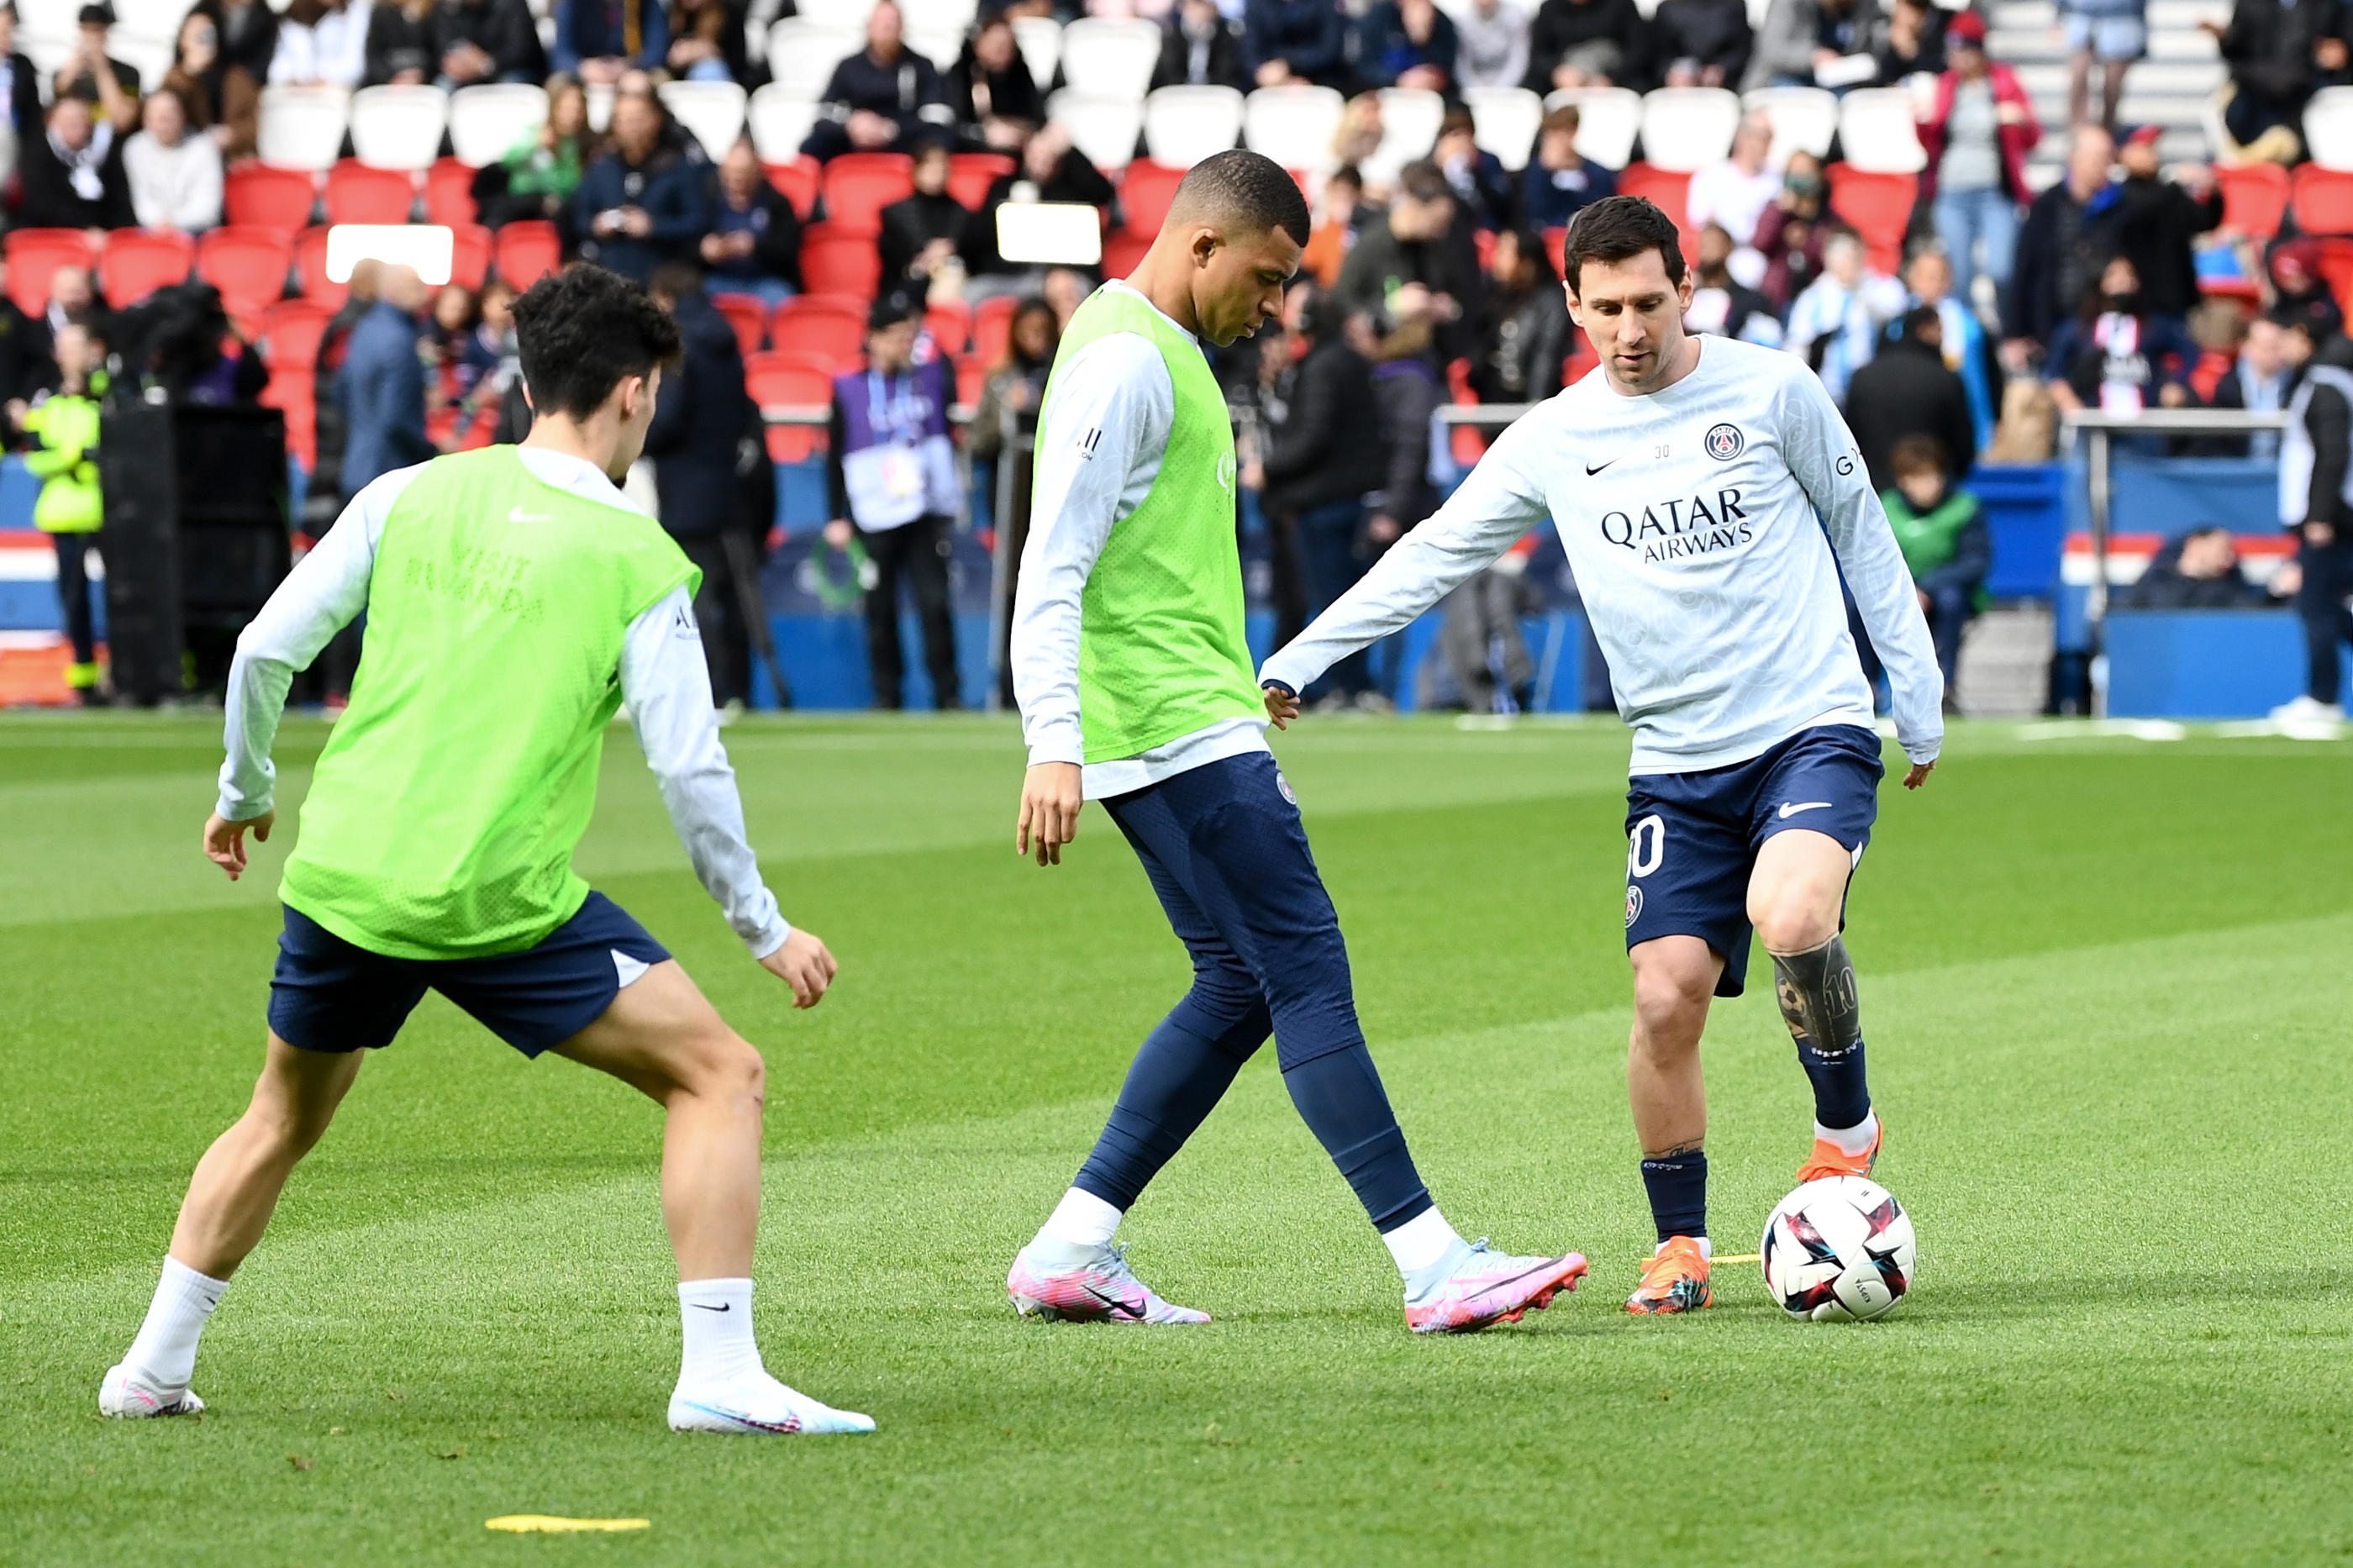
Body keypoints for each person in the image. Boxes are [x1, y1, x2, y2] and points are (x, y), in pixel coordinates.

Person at [95, 263, 866, 1438]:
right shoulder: (638, 554)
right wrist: (765, 926)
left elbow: (260, 650)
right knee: (723, 1074)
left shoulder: (408, 492)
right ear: (631, 391)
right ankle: (718, 1372)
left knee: (280, 1115)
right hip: (499, 903)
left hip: (348, 879)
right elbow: (689, 766)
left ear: (524, 381)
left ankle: (149, 1367)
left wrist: (242, 791)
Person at [1259, 194, 1941, 1317]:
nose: (1630, 328)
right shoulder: (1554, 439)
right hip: (1677, 757)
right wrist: (1302, 658)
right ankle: (1679, 1246)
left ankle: (1842, 1129)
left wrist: (1915, 701)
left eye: (1649, 301)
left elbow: (1865, 535)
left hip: (1808, 722)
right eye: (1605, 307)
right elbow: (1435, 552)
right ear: (1572, 306)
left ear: (1689, 290)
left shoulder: (1774, 391)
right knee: (1666, 994)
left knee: (1793, 916)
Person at [1006, 148, 1586, 1332]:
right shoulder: (1125, 362)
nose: (1273, 308)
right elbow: (1051, 561)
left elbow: (1146, 564)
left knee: (1237, 981)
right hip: (1169, 732)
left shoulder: (1152, 349)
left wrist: (1241, 679)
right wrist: (1050, 739)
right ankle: (1433, 1261)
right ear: (1201, 243)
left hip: (1179, 713)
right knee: (1305, 967)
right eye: (1266, 279)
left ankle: (1073, 1242)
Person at [824, 290, 960, 710]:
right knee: (879, 611)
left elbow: (951, 373)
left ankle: (948, 693)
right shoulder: (848, 388)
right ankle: (887, 695)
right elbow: (835, 454)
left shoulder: (930, 377)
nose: (907, 343)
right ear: (874, 338)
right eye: (899, 335)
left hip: (923, 510)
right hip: (873, 513)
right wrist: (836, 515)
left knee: (934, 605)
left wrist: (927, 334)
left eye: (911, 335)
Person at [1254, 284, 1388, 707]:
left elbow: (1313, 437)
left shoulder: (1324, 366)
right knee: (1344, 598)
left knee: (1329, 601)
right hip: (1344, 499)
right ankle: (1353, 686)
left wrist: (1267, 468)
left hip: (1327, 504)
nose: (1284, 315)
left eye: (1294, 309)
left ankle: (1339, 689)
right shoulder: (1342, 361)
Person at [645, 262, 761, 710]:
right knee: (730, 593)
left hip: (685, 485)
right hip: (726, 480)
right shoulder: (726, 343)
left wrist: (636, 438)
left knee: (693, 595)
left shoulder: (681, 348)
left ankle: (708, 692)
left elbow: (670, 419)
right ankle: (740, 690)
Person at [1915, 11, 2035, 310]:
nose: (1958, 58)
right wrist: (1921, 119)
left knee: (2002, 269)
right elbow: (1929, 142)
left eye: (1964, 50)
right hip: (1952, 193)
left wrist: (2017, 122)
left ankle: (2008, 328)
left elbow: (2033, 138)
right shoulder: (1945, 86)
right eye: (1953, 51)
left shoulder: (2004, 82)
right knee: (1960, 275)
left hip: (1995, 193)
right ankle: (1970, 338)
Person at [972, 295, 1058, 704]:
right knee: (1012, 588)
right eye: (1028, 332)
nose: (1035, 340)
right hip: (1012, 499)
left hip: (1056, 498)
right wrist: (1010, 411)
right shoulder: (1000, 379)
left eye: (1042, 332)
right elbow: (978, 442)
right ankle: (1009, 688)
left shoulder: (1065, 374)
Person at [17, 322, 107, 707]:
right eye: (65, 348)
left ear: (92, 351)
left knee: (125, 596)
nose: (71, 355)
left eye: (78, 346)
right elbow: (36, 458)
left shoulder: (107, 393)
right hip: (64, 513)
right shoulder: (45, 401)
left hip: (108, 509)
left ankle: (128, 674)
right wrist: (74, 458)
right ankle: (83, 677)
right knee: (73, 600)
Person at [2272, 321, 2353, 725]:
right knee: (2329, 605)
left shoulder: (2325, 387)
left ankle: (2322, 697)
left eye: (2285, 337)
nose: (2279, 345)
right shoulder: (2337, 382)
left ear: (2304, 339)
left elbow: (2333, 454)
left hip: (2333, 517)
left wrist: (2319, 515)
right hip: (2338, 513)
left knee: (2316, 604)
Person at [1333, 160, 1482, 365]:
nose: (1442, 231)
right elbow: (1342, 300)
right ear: (1415, 208)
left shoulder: (1436, 248)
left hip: (1427, 354)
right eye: (1438, 222)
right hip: (1377, 355)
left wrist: (1438, 307)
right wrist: (1391, 307)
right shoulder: (1372, 244)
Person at [1877, 432, 1987, 699]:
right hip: (1896, 591)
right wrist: (1905, 589)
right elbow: (1874, 560)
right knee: (1855, 604)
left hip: (1946, 591)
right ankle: (1867, 685)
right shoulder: (1885, 508)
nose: (1927, 486)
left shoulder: (1964, 507)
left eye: (1931, 476)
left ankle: (1945, 686)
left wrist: (1926, 588)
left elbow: (1975, 562)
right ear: (1903, 481)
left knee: (1951, 600)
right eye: (1917, 478)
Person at [2004, 124, 2119, 366]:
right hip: (2052, 329)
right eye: (2097, 158)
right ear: (2074, 158)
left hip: (2105, 332)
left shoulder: (2121, 206)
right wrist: (2016, 332)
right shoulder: (2046, 207)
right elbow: (2025, 270)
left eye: (2108, 158)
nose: (2105, 166)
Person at [577, 88, 712, 282]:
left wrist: (654, 227)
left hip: (661, 273)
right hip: (607, 273)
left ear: (656, 119)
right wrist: (595, 225)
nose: (631, 127)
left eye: (638, 119)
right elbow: (579, 216)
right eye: (623, 120)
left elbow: (697, 221)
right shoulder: (602, 167)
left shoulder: (677, 167)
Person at [2043, 253, 2194, 416]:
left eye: (2129, 274)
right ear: (2099, 281)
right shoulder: (2079, 328)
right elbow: (2053, 370)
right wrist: (2066, 398)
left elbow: (2191, 353)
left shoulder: (2155, 326)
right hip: (2093, 424)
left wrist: (2178, 384)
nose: (2123, 281)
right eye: (2113, 274)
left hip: (2146, 424)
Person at [802, 0, 955, 161]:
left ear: (902, 27)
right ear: (869, 27)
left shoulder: (922, 66)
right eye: (882, 23)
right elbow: (824, 114)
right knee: (814, 144)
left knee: (941, 140)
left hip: (905, 138)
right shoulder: (848, 67)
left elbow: (937, 116)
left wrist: (892, 129)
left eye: (893, 22)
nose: (888, 28)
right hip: (854, 139)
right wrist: (851, 125)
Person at [1845, 305, 1977, 492]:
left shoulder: (1862, 377)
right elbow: (1964, 448)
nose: (1942, 337)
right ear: (1924, 329)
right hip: (1930, 501)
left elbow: (1848, 440)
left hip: (1872, 495)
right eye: (1939, 329)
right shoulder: (1945, 378)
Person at [337, 264, 435, 505]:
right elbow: (395, 418)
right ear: (393, 291)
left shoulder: (364, 329)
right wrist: (430, 451)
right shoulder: (400, 341)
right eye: (417, 287)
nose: (425, 295)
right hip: (390, 474)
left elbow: (340, 392)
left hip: (356, 467)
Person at [2109, 124, 2220, 329]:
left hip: (2178, 297)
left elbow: (2204, 221)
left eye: (2153, 147)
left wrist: (2213, 194)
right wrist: (2176, 181)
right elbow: (2140, 212)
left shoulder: (2169, 192)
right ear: (2123, 153)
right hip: (2142, 303)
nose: (2152, 153)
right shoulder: (2116, 193)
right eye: (2144, 147)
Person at [1784, 227, 1904, 407]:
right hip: (1824, 391)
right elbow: (1797, 345)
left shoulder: (1878, 287)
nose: (1849, 261)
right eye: (1842, 254)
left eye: (1854, 254)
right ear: (1828, 257)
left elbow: (1895, 307)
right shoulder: (1812, 298)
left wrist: (1862, 291)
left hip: (1866, 389)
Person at [2211, 0, 2339, 163]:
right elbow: (2236, 50)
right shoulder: (2249, 4)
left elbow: (2334, 48)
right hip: (2255, 97)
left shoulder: (2323, 5)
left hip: (2303, 97)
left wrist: (2337, 55)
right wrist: (2225, 38)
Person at [1903, 246, 1999, 452]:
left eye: (1939, 276)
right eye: (1927, 276)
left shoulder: (1970, 326)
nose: (1933, 283)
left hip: (1962, 418)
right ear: (1912, 279)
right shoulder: (1898, 324)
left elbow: (1989, 374)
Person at [474, 72, 592, 234]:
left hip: (556, 207)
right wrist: (534, 145)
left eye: (577, 110)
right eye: (566, 108)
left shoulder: (577, 145)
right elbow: (508, 162)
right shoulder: (533, 133)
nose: (571, 116)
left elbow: (570, 185)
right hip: (523, 201)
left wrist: (559, 157)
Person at [1471, 225, 1571, 402]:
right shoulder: (1491, 295)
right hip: (1493, 397)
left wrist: (1537, 404)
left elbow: (1547, 357)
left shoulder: (1551, 302)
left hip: (1532, 398)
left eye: (1504, 253)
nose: (1496, 259)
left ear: (1527, 263)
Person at [702, 135, 803, 307]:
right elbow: (688, 240)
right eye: (732, 172)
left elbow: (790, 248)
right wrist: (705, 249)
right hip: (719, 279)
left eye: (743, 172)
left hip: (766, 281)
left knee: (783, 302)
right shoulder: (708, 199)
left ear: (757, 171)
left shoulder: (777, 202)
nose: (737, 179)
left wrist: (755, 246)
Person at [1686, 113, 1779, 290]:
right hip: (1721, 258)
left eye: (1769, 139)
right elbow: (1703, 222)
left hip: (1764, 258)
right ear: (1741, 137)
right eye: (1759, 137)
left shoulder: (1776, 180)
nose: (1764, 144)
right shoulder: (1710, 176)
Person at [19, 96, 134, 232]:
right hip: (52, 234)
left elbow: (120, 200)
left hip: (104, 234)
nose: (78, 125)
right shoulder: (37, 153)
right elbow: (41, 205)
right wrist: (84, 228)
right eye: (70, 122)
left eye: (82, 119)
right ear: (52, 123)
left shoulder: (106, 152)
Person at [166, 5, 265, 159]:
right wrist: (189, 72)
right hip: (189, 159)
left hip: (232, 159)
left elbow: (253, 124)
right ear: (183, 40)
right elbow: (167, 113)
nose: (203, 39)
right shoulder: (176, 77)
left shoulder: (237, 77)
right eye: (196, 35)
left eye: (208, 33)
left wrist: (231, 134)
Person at [123, 86, 224, 232]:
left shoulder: (204, 148)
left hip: (197, 232)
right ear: (145, 119)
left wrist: (174, 222)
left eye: (170, 113)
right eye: (157, 114)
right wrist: (161, 224)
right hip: (152, 230)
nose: (164, 119)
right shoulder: (135, 148)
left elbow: (208, 209)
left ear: (183, 116)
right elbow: (142, 202)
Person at [877, 138, 968, 287]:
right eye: (930, 165)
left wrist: (949, 249)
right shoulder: (894, 213)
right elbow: (892, 259)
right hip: (904, 285)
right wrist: (927, 254)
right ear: (916, 169)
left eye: (941, 166)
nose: (936, 172)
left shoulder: (963, 213)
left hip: (952, 279)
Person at [2119, 523, 2276, 608]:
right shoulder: (2155, 583)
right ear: (2196, 544)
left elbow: (2254, 611)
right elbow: (2124, 614)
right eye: (2223, 549)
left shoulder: (2229, 590)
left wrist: (2275, 595)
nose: (2229, 559)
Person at [1750, 147, 1829, 312]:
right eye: (1795, 172)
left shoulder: (1828, 218)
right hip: (1777, 297)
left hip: (1815, 300)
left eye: (1806, 172)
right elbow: (1760, 243)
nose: (1800, 179)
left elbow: (1831, 257)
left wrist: (1806, 242)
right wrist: (1780, 211)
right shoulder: (1776, 208)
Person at [2204, 310, 2291, 458]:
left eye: (2277, 347)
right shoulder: (2227, 388)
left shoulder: (2295, 384)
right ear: (2246, 346)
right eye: (2266, 347)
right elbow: (2218, 442)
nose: (2273, 354)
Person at [949, 13, 1043, 145]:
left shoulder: (1020, 75)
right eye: (997, 45)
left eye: (1008, 47)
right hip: (974, 149)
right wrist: (983, 134)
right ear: (979, 43)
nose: (1003, 52)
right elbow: (953, 123)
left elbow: (1036, 117)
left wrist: (1017, 131)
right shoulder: (962, 73)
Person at [1684, 219, 1782, 345]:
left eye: (1714, 244)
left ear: (1729, 248)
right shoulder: (1686, 299)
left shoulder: (1752, 301)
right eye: (1703, 245)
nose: (1707, 250)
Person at [1519, 103, 1615, 230]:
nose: (1555, 141)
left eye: (1561, 134)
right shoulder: (1537, 171)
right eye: (1551, 135)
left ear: (1573, 133)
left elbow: (1600, 210)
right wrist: (1546, 171)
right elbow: (1534, 211)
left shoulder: (1597, 172)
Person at [1525, 0, 1652, 90]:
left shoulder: (1622, 5)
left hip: (1613, 78)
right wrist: (1557, 73)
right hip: (1565, 80)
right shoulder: (1550, 8)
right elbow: (1538, 55)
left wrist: (1610, 78)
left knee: (1640, 87)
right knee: (1531, 89)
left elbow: (1639, 51)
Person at [2059, 0, 2141, 130]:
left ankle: (2107, 134)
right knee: (2078, 77)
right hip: (2082, 16)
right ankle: (2079, 135)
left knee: (2112, 86)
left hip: (2121, 17)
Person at [53, 3, 140, 124]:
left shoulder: (129, 73)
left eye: (96, 30)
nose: (91, 37)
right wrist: (73, 68)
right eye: (85, 30)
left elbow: (123, 120)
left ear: (106, 33)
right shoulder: (64, 74)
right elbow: (57, 99)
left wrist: (101, 67)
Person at [1433, 105, 1513, 233]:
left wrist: (1475, 170)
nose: (1458, 146)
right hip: (1447, 230)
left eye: (1463, 137)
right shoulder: (1430, 163)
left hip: (1484, 228)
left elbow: (1501, 204)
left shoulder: (1488, 161)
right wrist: (1442, 168)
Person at [1242, 0, 1351, 89]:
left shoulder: (1326, 3)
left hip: (1320, 80)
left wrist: (1288, 65)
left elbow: (1330, 50)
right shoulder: (1257, 4)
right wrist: (1262, 74)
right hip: (1268, 81)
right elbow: (1249, 50)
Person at [431, 0, 545, 86]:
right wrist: (456, 64)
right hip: (465, 73)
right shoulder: (447, 8)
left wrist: (487, 63)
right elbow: (441, 48)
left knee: (510, 83)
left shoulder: (512, 4)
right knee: (443, 84)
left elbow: (522, 50)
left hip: (509, 69)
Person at [551, 0, 669, 81]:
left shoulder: (645, 3)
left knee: (651, 81)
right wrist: (583, 68)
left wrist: (630, 66)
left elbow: (658, 49)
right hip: (586, 68)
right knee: (559, 83)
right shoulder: (573, 3)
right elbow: (561, 53)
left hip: (635, 68)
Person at [1355, 0, 1457, 92]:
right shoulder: (1378, 17)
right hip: (1384, 94)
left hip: (1428, 98)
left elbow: (1445, 71)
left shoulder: (1442, 23)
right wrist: (1398, 80)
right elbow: (1364, 68)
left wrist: (1421, 37)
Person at [1299, 163, 1376, 287]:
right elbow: (1308, 262)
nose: (1342, 201)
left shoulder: (1364, 227)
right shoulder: (1317, 222)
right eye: (1338, 194)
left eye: (1348, 196)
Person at [270, 0, 371, 87]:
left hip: (335, 93)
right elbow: (276, 69)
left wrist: (323, 79)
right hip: (296, 92)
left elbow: (354, 68)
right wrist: (297, 79)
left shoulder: (356, 13)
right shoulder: (290, 17)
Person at [1152, 0, 1249, 92]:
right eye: (1193, 6)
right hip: (1178, 94)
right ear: (1183, 8)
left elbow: (1226, 74)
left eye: (1202, 6)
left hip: (1213, 94)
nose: (1197, 12)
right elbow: (1167, 74)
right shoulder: (1172, 36)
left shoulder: (1225, 37)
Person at [1654, 0, 1750, 87]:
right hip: (1677, 86)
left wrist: (1723, 69)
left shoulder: (1734, 6)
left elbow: (1742, 49)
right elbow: (1659, 54)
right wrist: (1671, 72)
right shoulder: (1667, 9)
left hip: (1723, 85)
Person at [662, 0, 745, 85]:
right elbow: (659, 57)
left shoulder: (729, 13)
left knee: (708, 70)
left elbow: (739, 64)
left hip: (718, 78)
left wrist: (709, 51)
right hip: (676, 78)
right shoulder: (669, 13)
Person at [1454, 0, 1530, 90]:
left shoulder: (1515, 14)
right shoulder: (1461, 20)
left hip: (1511, 87)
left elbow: (1519, 59)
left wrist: (1500, 88)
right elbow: (1462, 65)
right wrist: (1478, 89)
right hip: (1473, 88)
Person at [0, 2, 44, 142]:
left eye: (11, 30)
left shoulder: (22, 66)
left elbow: (33, 113)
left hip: (14, 136)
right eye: (4, 32)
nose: (8, 37)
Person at [363, 0, 435, 83]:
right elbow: (373, 55)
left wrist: (420, 75)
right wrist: (391, 78)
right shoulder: (380, 13)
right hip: (388, 81)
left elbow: (434, 52)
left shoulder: (428, 12)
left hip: (422, 80)